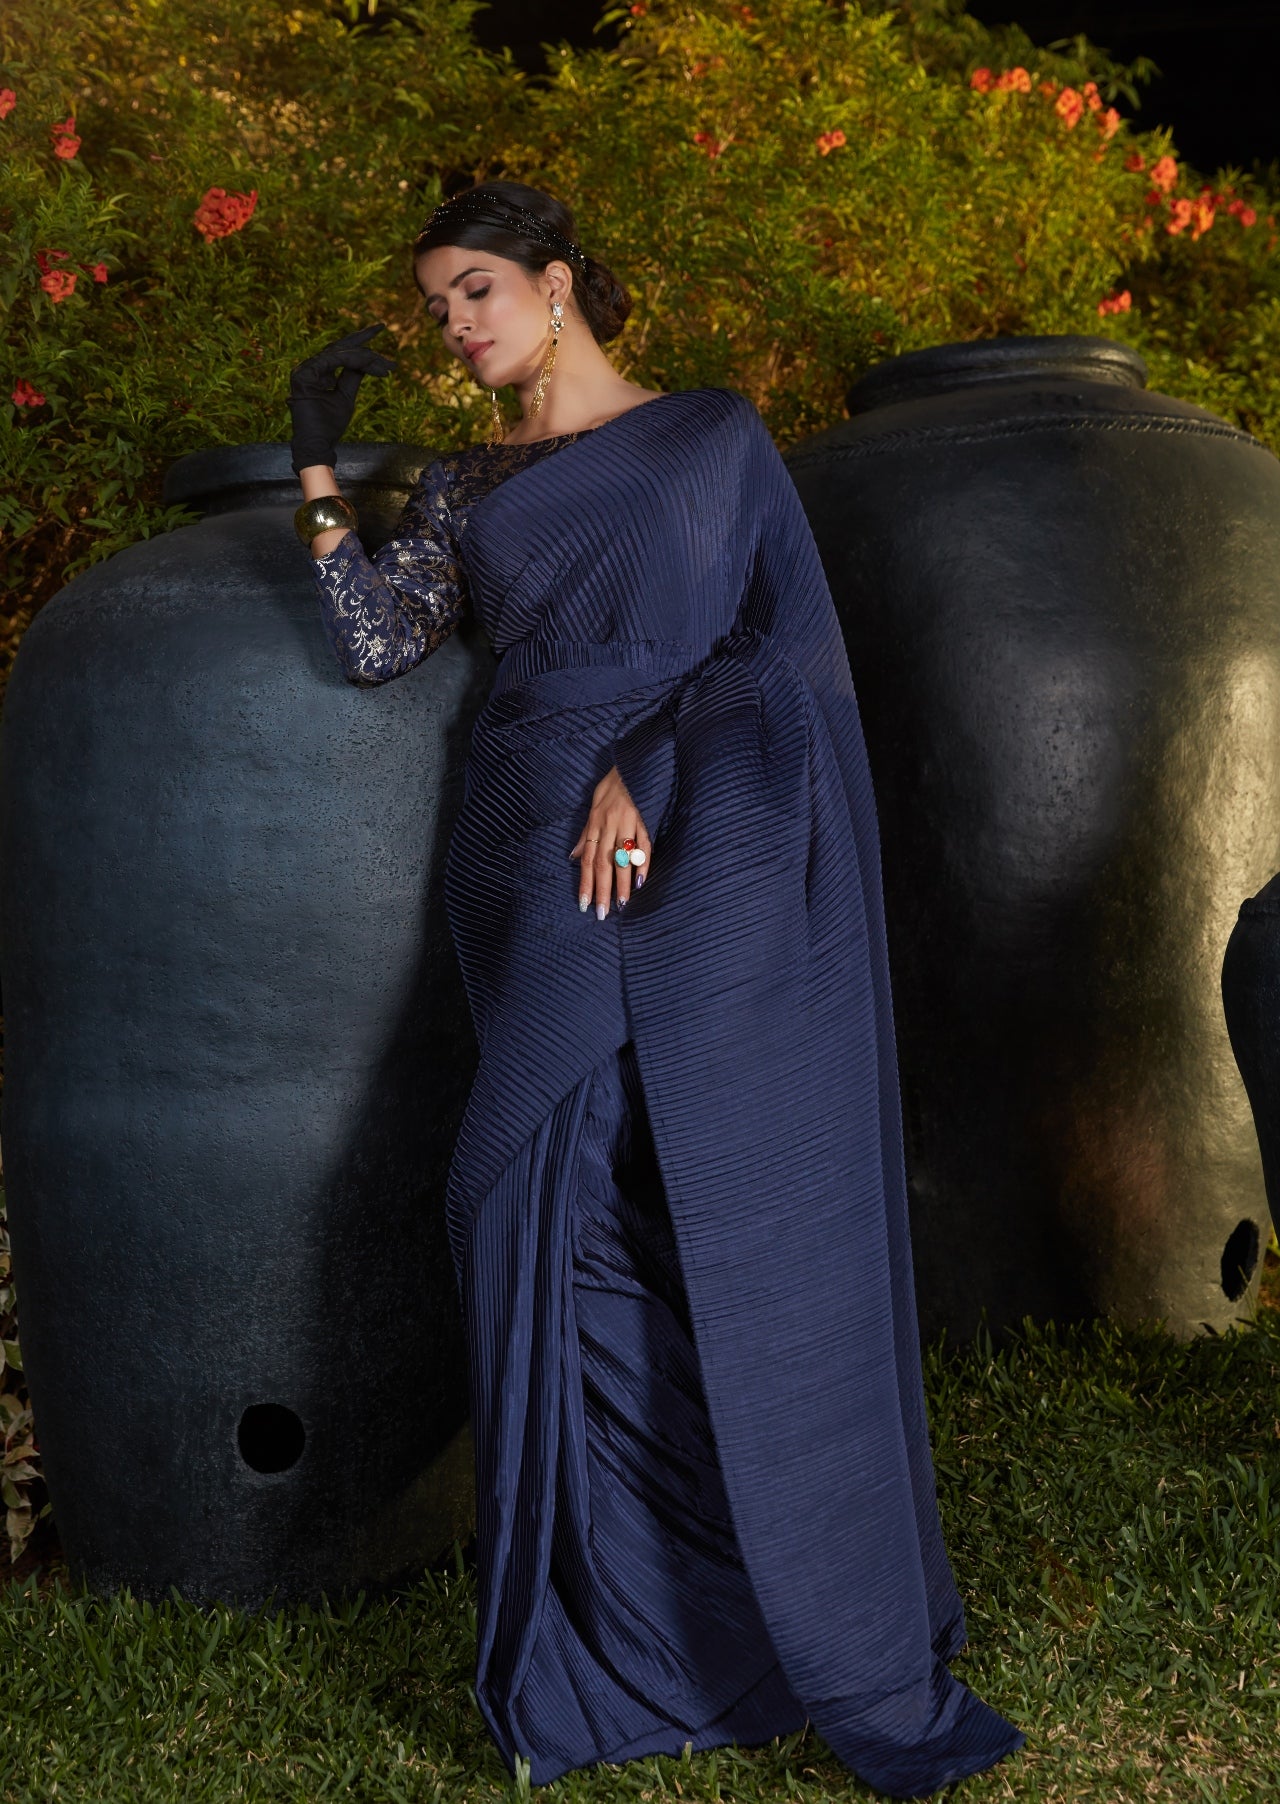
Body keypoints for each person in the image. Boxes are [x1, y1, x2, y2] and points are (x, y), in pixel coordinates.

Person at [287, 180, 1025, 1798]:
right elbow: (380, 641)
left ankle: (756, 1599)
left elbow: (782, 650)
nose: (454, 326)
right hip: (517, 841)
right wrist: (319, 471)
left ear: (556, 283)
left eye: (476, 291)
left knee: (658, 1186)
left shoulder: (707, 438)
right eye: (436, 305)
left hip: (663, 832)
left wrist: (654, 756)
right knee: (542, 1203)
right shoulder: (468, 483)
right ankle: (623, 1626)